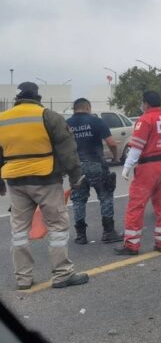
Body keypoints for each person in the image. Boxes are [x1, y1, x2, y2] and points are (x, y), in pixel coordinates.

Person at [0, 82, 89, 289]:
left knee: (19, 230)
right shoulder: (48, 116)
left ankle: (23, 278)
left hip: (15, 180)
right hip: (45, 178)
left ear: (17, 98)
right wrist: (76, 177)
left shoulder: (2, 119)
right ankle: (62, 274)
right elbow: (67, 150)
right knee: (57, 226)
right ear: (37, 97)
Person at [115, 91, 161, 256]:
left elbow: (136, 148)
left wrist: (127, 167)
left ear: (146, 104)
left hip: (148, 167)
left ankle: (131, 245)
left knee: (136, 205)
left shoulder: (144, 120)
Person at [66, 98, 123, 245]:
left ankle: (80, 235)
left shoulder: (67, 124)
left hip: (76, 168)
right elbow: (111, 143)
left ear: (75, 108)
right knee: (105, 197)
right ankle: (108, 232)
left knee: (78, 200)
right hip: (97, 164)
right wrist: (116, 157)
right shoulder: (97, 121)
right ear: (88, 108)